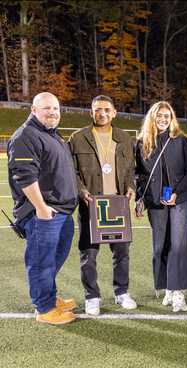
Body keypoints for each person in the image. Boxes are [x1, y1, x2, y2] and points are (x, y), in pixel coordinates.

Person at [8, 92, 78, 324]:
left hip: (61, 211)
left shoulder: (50, 135)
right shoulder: (26, 136)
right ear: (33, 110)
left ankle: (49, 295)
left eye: (56, 108)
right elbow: (24, 176)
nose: (52, 112)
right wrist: (41, 208)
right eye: (46, 108)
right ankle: (45, 309)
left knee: (54, 258)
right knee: (41, 261)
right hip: (44, 214)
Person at [68, 95, 137, 316]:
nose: (102, 113)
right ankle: (92, 296)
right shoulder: (78, 138)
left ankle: (122, 292)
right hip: (92, 204)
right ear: (91, 112)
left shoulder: (125, 138)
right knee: (88, 253)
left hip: (117, 203)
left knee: (122, 253)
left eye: (107, 109)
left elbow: (131, 171)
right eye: (98, 109)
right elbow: (72, 172)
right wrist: (82, 191)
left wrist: (131, 187)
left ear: (114, 112)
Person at [135, 101, 187, 313]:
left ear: (172, 119)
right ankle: (168, 287)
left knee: (178, 244)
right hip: (155, 201)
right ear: (152, 117)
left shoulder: (180, 141)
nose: (163, 119)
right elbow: (139, 175)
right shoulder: (142, 142)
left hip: (180, 199)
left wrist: (177, 192)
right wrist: (140, 199)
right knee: (160, 245)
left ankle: (178, 291)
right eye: (159, 115)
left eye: (167, 116)